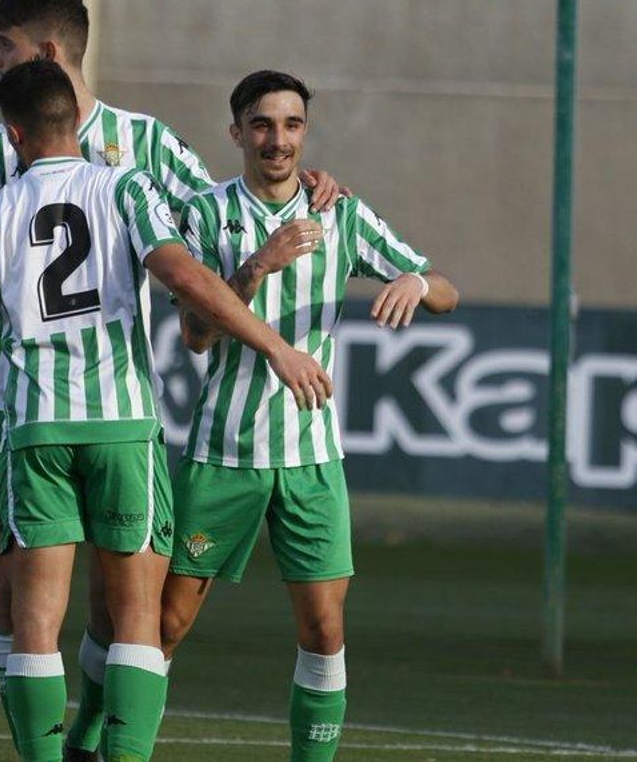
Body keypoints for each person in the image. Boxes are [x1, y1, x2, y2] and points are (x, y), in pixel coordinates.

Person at [0, 0, 345, 757]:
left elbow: (221, 221)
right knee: (15, 599)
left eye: (3, 45)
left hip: (114, 400)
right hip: (14, 398)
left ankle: (90, 740)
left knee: (116, 598)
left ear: (47, 52)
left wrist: (311, 191)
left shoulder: (148, 144)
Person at [162, 70, 459, 761]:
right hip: (224, 455)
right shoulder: (205, 215)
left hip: (312, 460)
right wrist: (255, 268)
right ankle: (108, 746)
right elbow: (195, 337)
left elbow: (445, 289)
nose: (278, 139)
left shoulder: (340, 214)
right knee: (167, 623)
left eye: (292, 125)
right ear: (236, 133)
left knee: (325, 629)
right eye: (262, 125)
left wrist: (415, 280)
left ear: (306, 134)